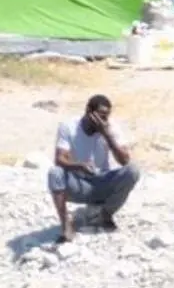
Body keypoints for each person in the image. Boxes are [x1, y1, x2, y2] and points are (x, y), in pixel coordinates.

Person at [47, 94, 140, 242]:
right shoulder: (68, 126)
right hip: (79, 183)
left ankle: (105, 214)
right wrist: (79, 165)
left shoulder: (110, 128)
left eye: (106, 117)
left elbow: (125, 161)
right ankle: (66, 224)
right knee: (55, 172)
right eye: (101, 116)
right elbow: (59, 159)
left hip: (102, 182)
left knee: (133, 170)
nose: (104, 121)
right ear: (88, 111)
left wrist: (107, 135)